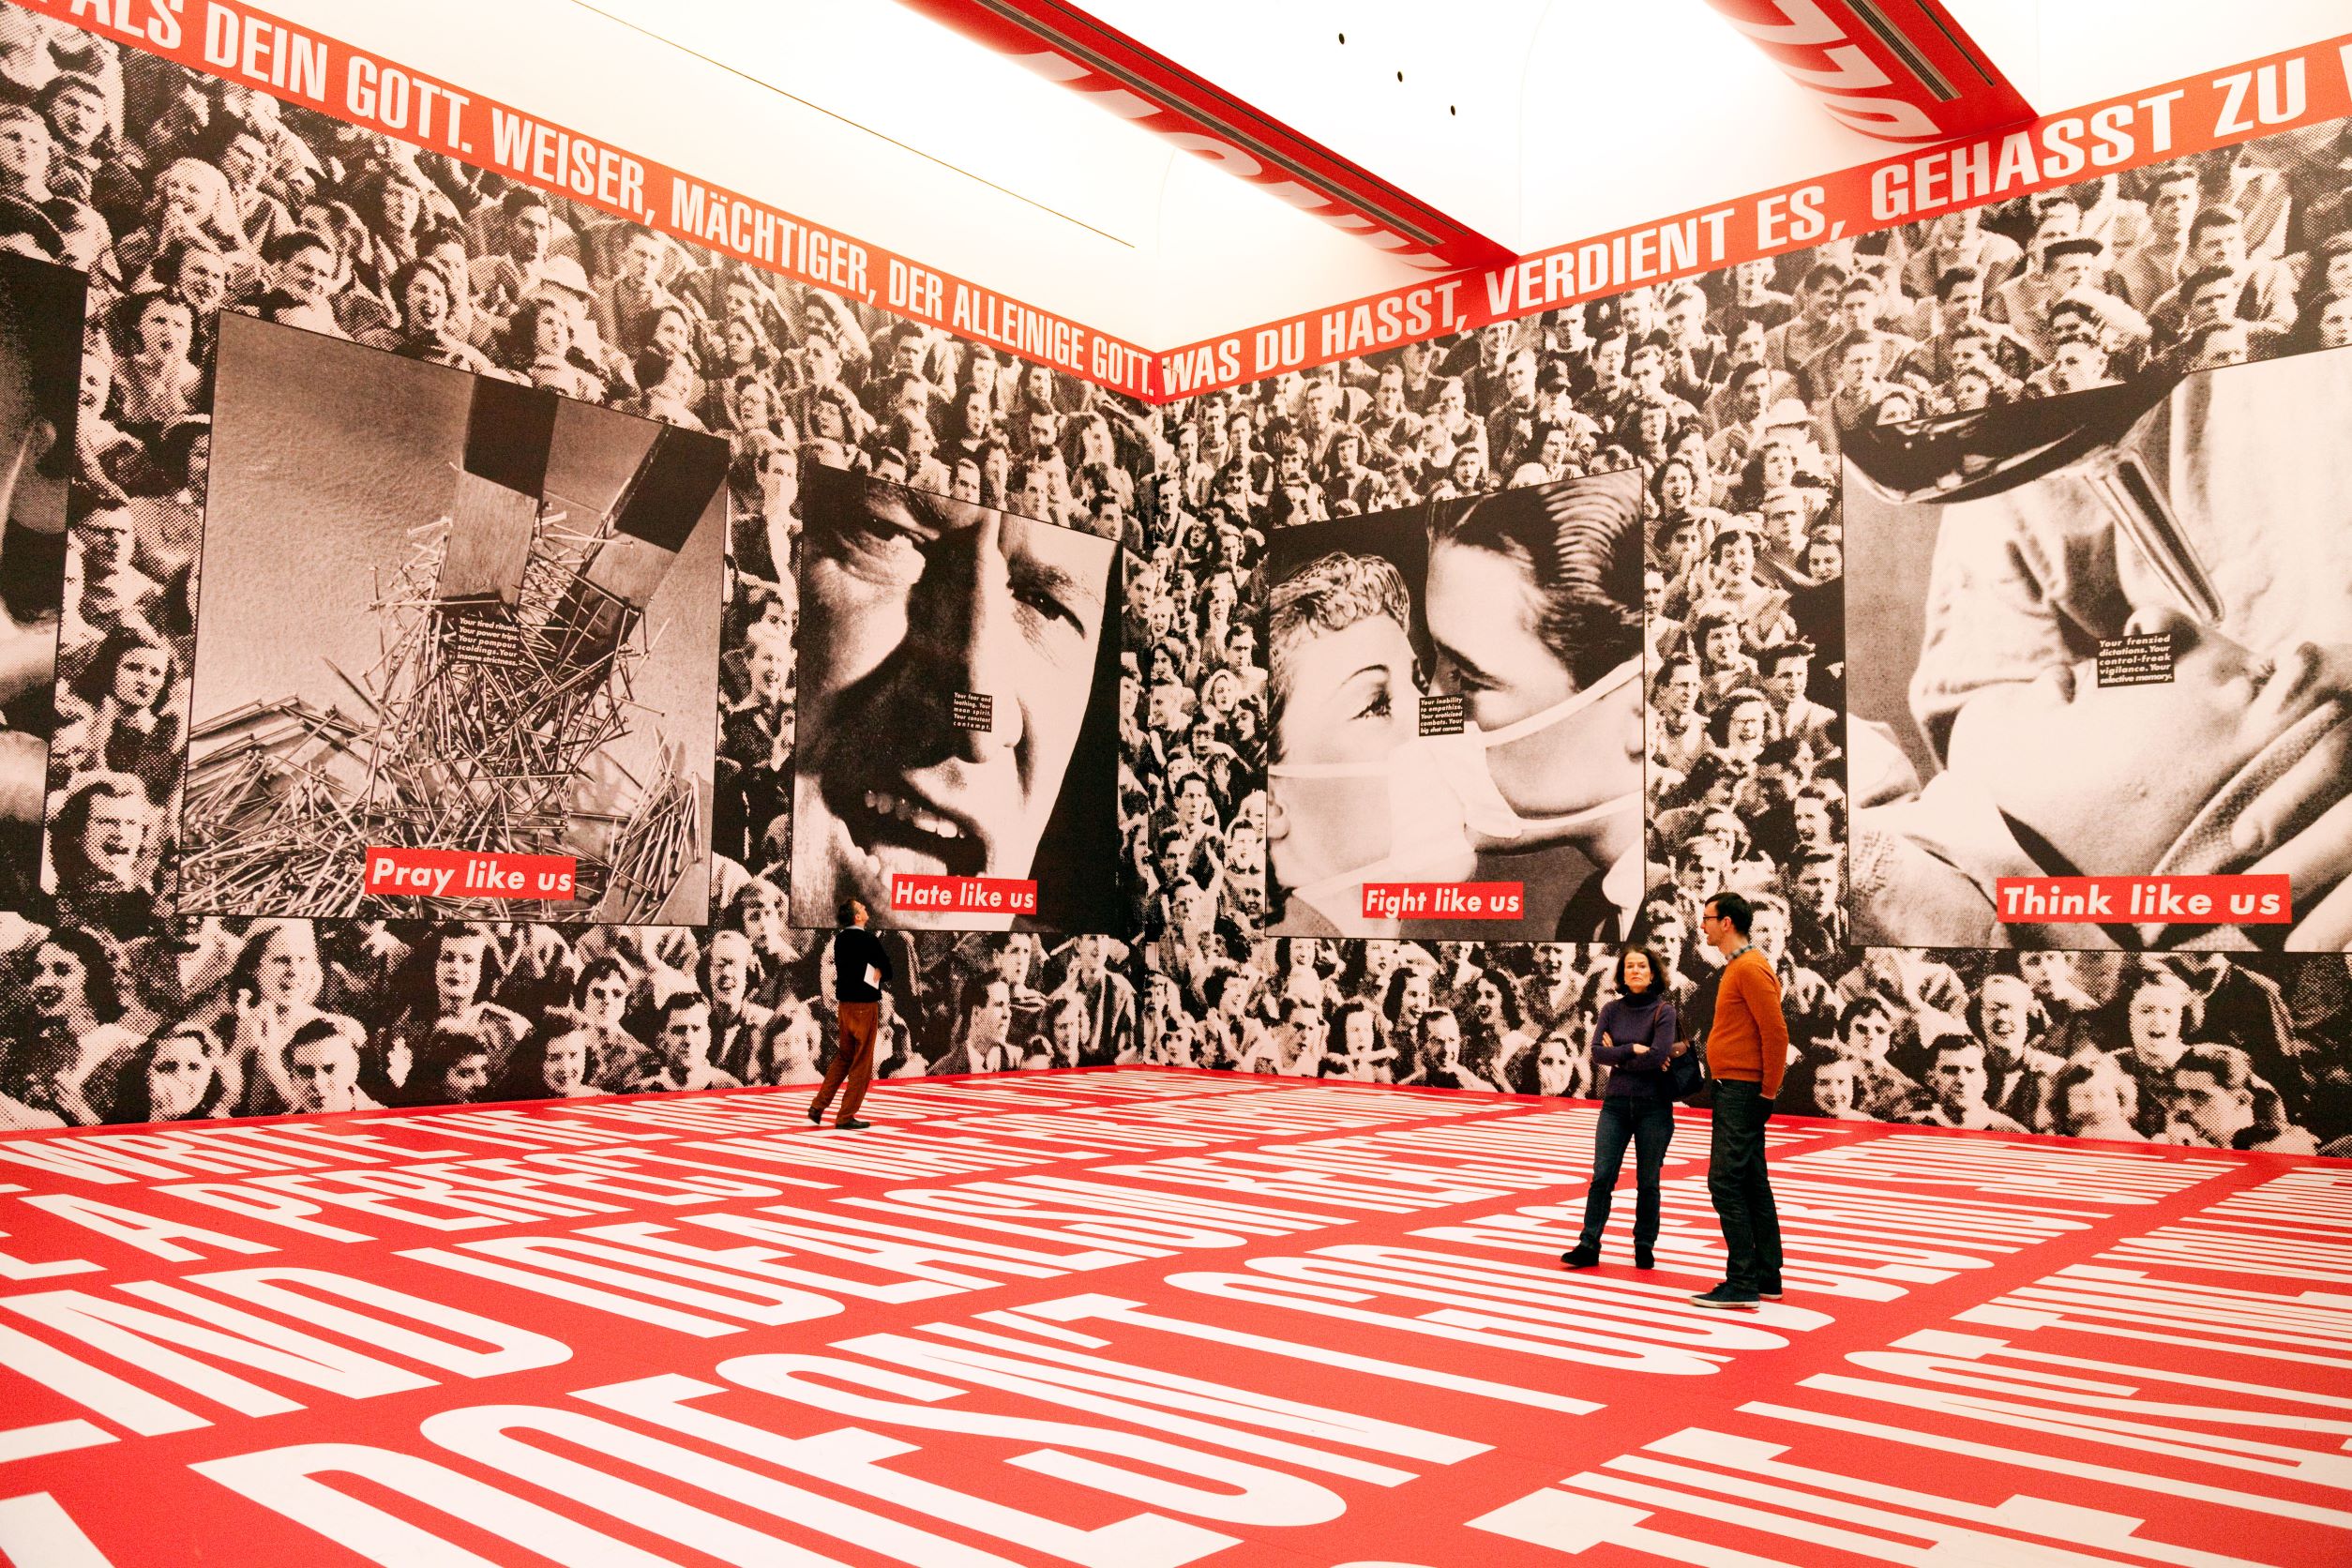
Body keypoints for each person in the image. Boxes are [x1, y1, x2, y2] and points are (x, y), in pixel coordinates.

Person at [1693, 892, 1790, 1310]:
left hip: (1741, 1090)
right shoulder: (1741, 967)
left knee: (1725, 1181)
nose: (1703, 926)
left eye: (1708, 918)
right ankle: (1766, 1276)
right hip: (1736, 1087)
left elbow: (1777, 1033)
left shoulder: (1750, 968)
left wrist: (1768, 1091)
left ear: (1728, 922)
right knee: (1751, 1182)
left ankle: (1742, 1281)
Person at [1561, 946, 1681, 1271]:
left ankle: (1644, 1245)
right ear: (1622, 974)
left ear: (1653, 973)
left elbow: (1658, 1056)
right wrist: (1634, 1049)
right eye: (1629, 966)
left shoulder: (1665, 1011)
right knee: (1602, 1176)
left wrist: (1622, 1056)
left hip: (1654, 1108)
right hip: (1615, 1106)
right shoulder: (1611, 1010)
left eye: (1642, 966)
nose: (1636, 971)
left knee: (1648, 1180)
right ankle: (1589, 1244)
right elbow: (1597, 1052)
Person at [808, 897, 889, 1130]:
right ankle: (845, 1116)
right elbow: (887, 969)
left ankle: (818, 1106)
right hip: (865, 1005)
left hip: (844, 1007)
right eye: (862, 908)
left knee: (844, 1057)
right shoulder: (869, 940)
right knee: (862, 1063)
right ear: (857, 916)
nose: (866, 909)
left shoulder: (840, 940)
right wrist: (875, 975)